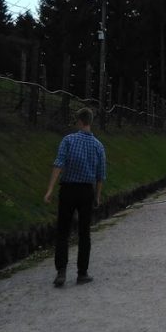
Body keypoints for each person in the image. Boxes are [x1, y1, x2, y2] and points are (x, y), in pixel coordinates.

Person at [44, 107, 107, 287]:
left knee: (63, 231)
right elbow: (100, 175)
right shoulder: (98, 146)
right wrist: (97, 196)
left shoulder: (68, 140)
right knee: (84, 233)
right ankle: (82, 273)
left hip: (68, 190)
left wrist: (49, 190)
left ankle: (61, 272)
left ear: (79, 121)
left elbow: (58, 164)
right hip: (86, 191)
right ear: (90, 121)